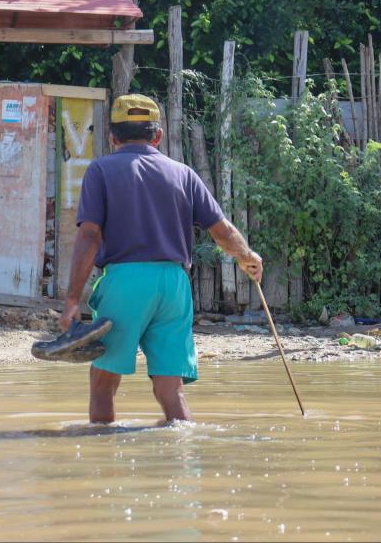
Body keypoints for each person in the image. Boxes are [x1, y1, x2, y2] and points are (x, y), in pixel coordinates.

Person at [59, 93, 263, 425]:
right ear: (158, 135)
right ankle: (183, 460)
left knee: (103, 384)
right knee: (171, 389)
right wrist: (247, 256)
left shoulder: (100, 170)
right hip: (174, 286)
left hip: (126, 283)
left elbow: (89, 236)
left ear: (112, 137)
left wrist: (71, 300)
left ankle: (101, 459)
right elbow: (223, 230)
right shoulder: (183, 173)